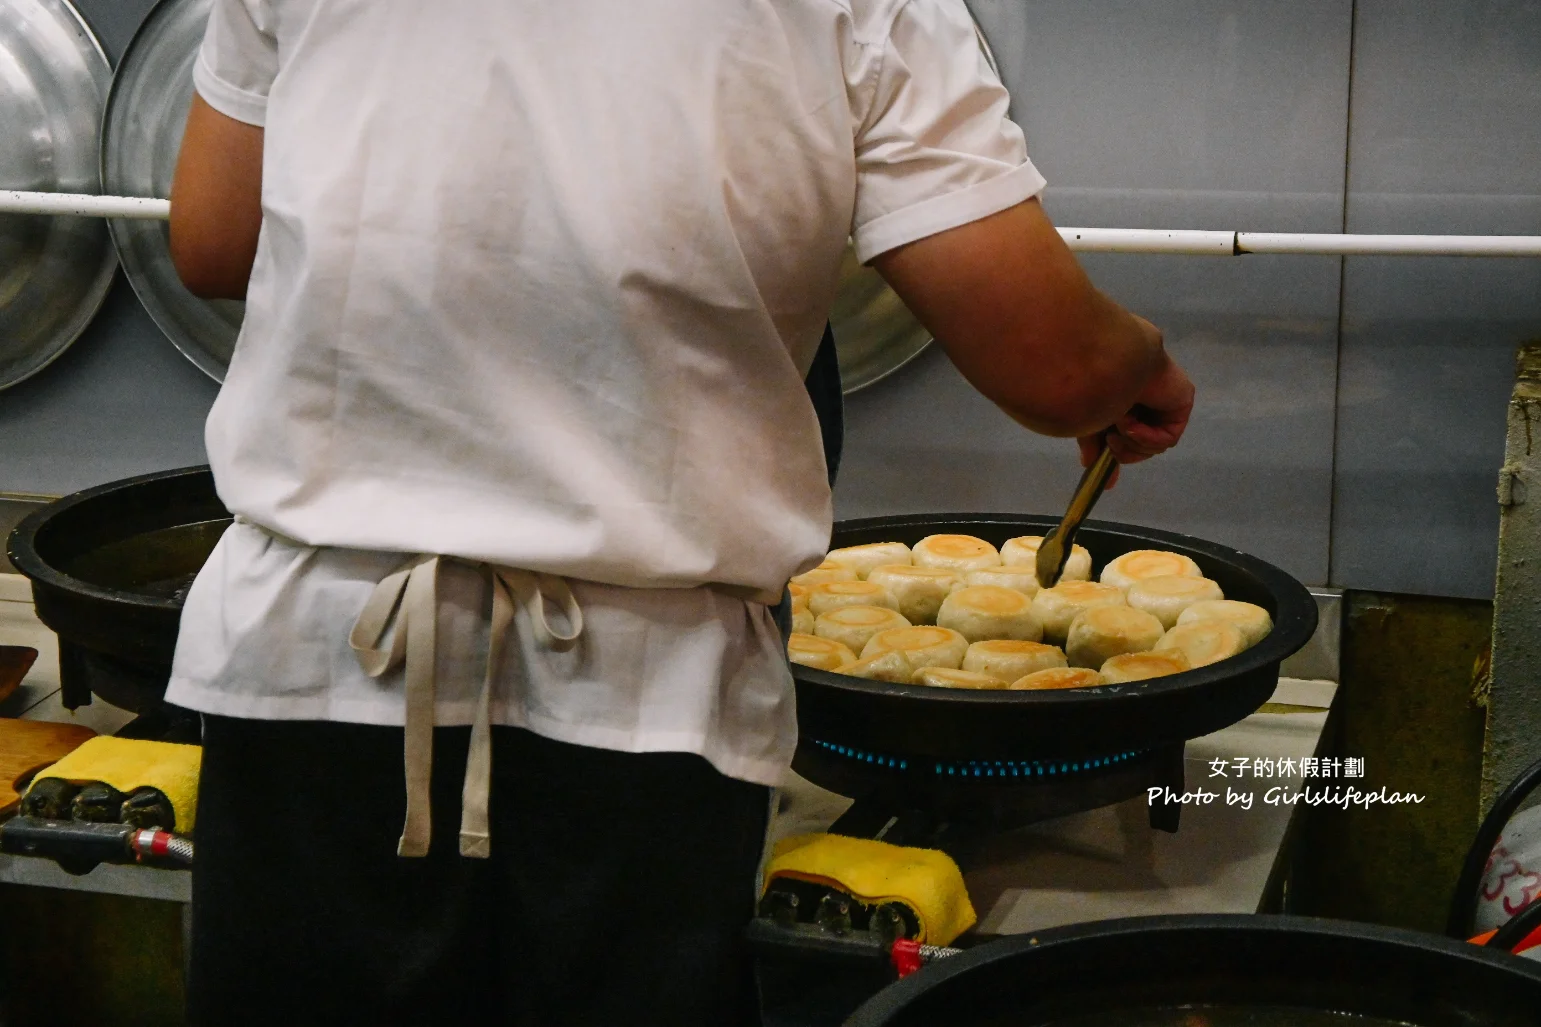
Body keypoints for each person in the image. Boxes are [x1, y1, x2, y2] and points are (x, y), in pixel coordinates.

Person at [164, 0, 1193, 1023]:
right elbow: (1055, 366)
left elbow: (212, 241)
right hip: (635, 707)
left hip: (312, 664)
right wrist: (1132, 365)